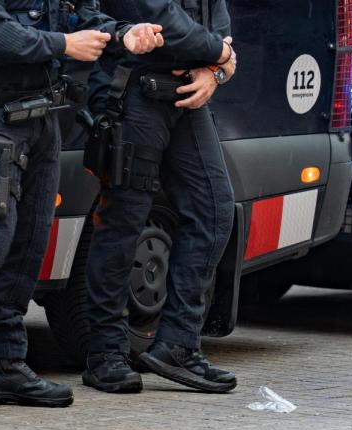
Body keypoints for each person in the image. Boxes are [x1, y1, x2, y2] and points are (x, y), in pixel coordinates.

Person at [0, 1, 165, 417]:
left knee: (29, 245)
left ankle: (4, 366)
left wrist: (124, 32)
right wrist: (64, 44)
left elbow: (86, 17)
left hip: (43, 122)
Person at [81, 0, 238, 394]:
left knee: (215, 211)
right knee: (123, 221)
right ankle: (106, 354)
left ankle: (178, 345)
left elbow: (216, 16)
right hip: (134, 89)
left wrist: (214, 70)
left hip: (187, 90)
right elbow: (163, 17)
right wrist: (220, 54)